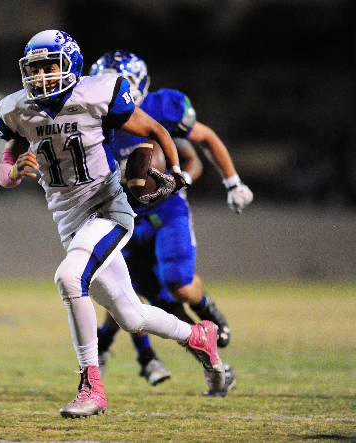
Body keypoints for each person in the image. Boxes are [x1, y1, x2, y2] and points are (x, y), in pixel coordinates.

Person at [0, 30, 225, 418]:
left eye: (51, 66)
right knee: (131, 316)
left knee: (69, 278)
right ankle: (198, 336)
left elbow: (155, 130)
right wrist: (14, 169)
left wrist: (178, 174)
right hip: (69, 223)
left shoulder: (98, 93)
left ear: (72, 65)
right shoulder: (16, 109)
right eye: (35, 69)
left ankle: (91, 386)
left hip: (109, 208)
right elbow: (5, 169)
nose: (43, 76)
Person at [89, 50, 254, 396]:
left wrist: (233, 182)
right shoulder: (93, 119)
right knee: (148, 303)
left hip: (166, 212)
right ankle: (211, 363)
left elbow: (203, 141)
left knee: (178, 285)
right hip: (127, 219)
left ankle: (205, 305)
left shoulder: (162, 108)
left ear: (139, 85)